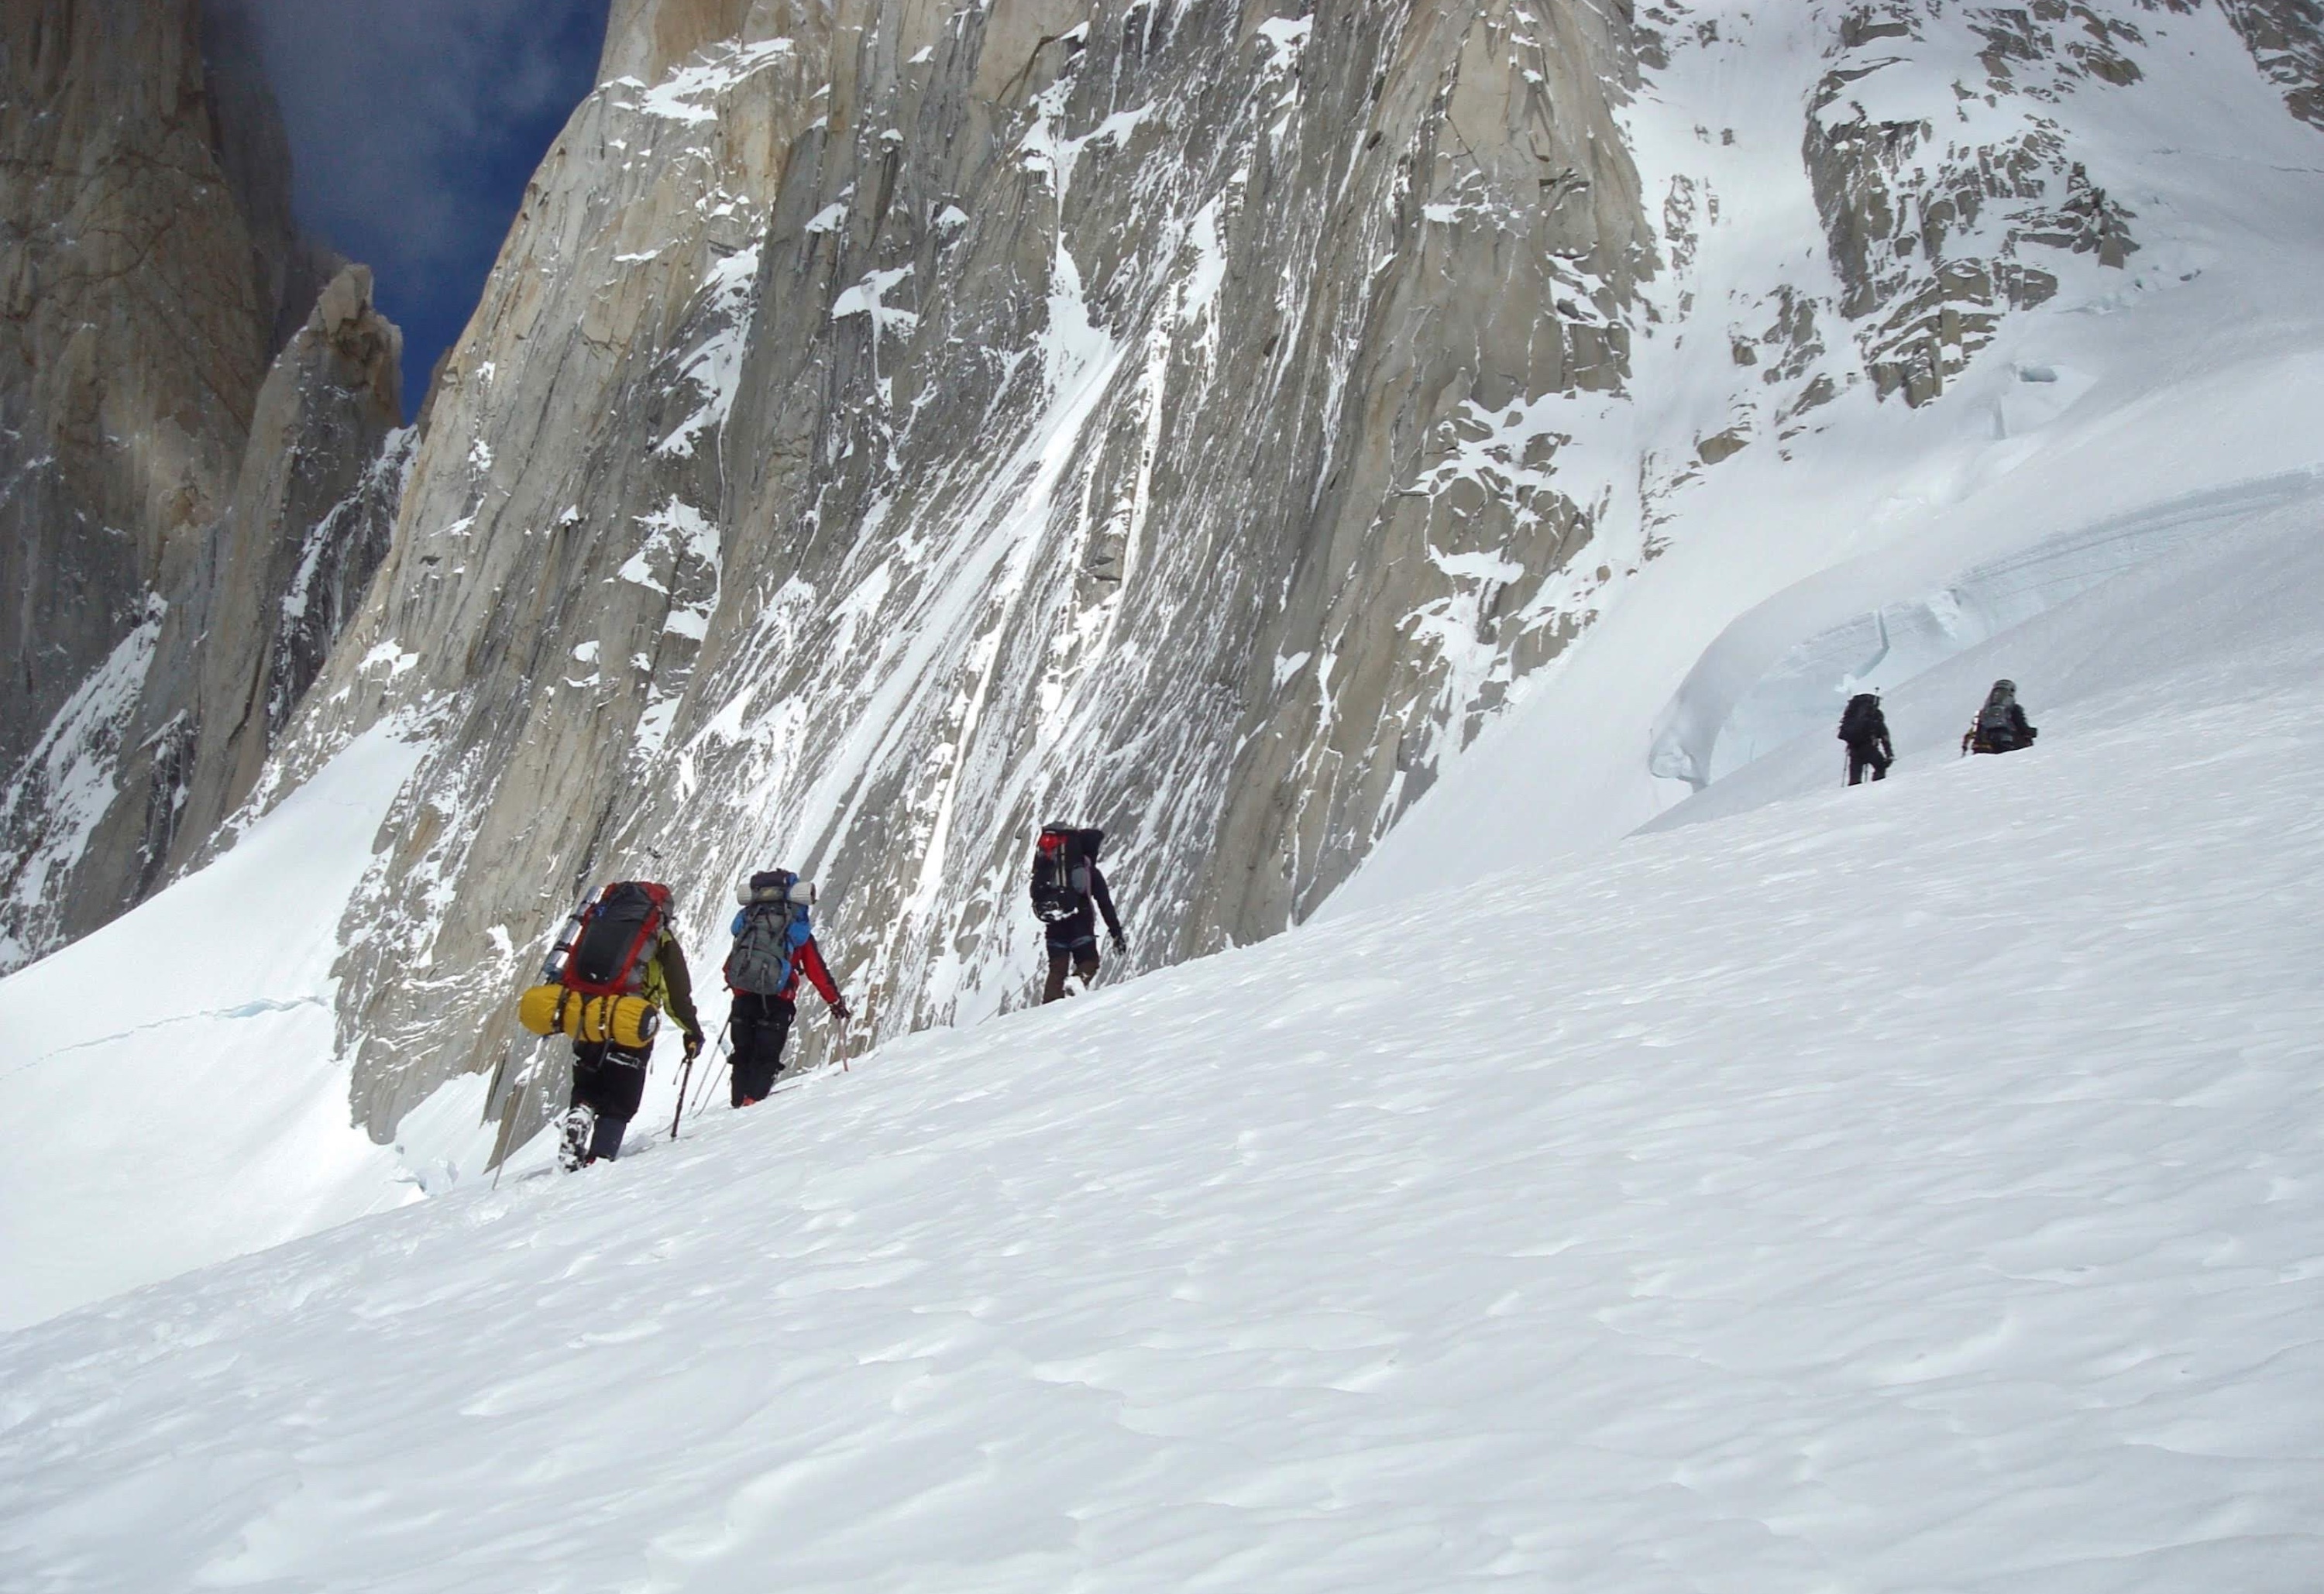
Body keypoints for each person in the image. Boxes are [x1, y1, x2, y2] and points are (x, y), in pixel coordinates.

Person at [558, 883, 704, 1170]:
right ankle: (598, 1160)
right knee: (620, 1100)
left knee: (588, 1084)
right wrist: (691, 1030)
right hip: (631, 1022)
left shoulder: (598, 925)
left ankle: (580, 1113)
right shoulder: (661, 941)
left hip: (587, 1014)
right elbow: (675, 994)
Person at [724, 869, 849, 1107]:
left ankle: (737, 1104)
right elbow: (816, 971)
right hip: (778, 1000)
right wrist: (835, 1002)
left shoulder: (750, 922)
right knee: (766, 1056)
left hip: (743, 998)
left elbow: (731, 964)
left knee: (743, 1053)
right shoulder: (795, 929)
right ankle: (752, 1106)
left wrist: (740, 987)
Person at [1032, 826, 1123, 1003]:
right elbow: (1105, 904)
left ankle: (1048, 1009)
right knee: (1089, 961)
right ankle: (1076, 983)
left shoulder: (1051, 866)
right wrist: (1116, 932)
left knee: (1057, 970)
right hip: (1080, 925)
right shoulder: (1089, 872)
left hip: (1055, 923)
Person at [1964, 678, 2038, 755]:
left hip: (1987, 743)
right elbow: (2021, 725)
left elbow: (1978, 728)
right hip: (2009, 741)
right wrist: (2031, 732)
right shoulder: (2014, 708)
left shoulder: (1985, 711)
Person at [1838, 692, 1895, 786]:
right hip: (1869, 748)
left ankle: (1852, 797)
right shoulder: (1875, 715)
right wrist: (1889, 754)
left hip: (1853, 748)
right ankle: (1877, 788)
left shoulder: (1853, 715)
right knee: (1881, 766)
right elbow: (1884, 737)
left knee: (1855, 779)